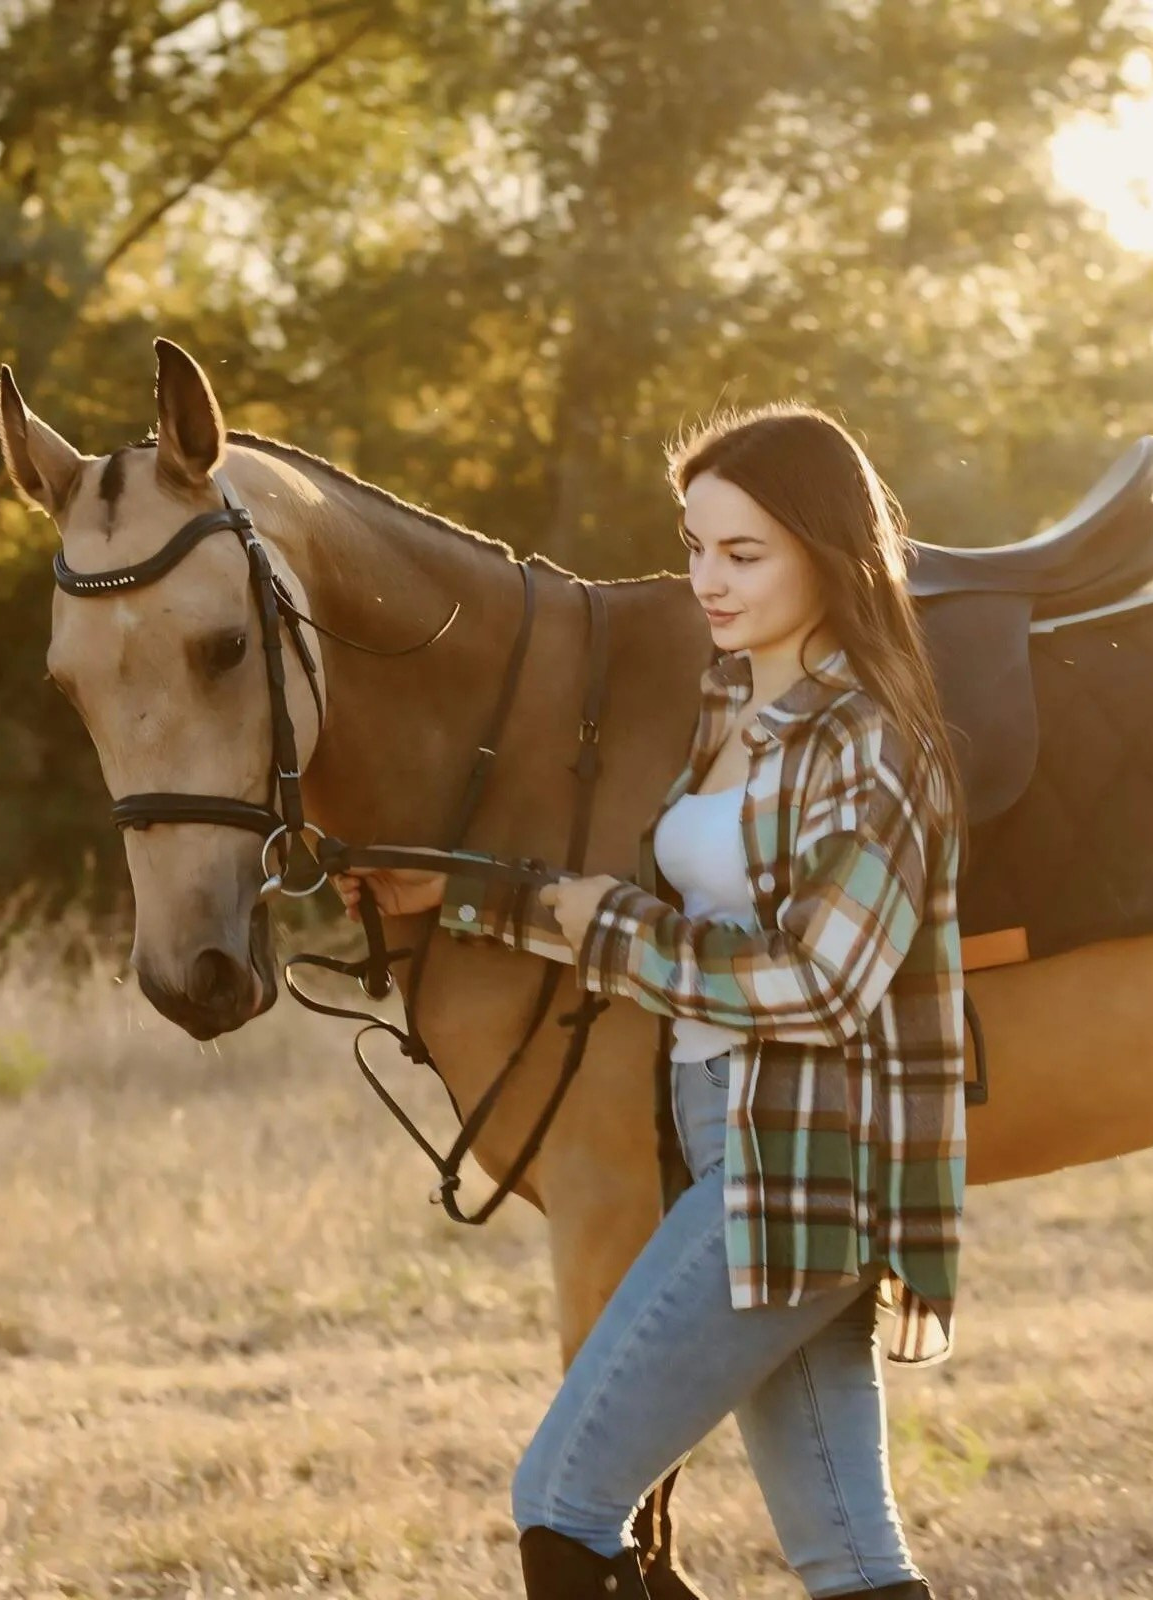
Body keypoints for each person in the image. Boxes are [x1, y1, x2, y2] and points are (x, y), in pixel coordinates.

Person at [334, 403, 969, 1600]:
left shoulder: (871, 745)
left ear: (828, 555)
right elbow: (635, 907)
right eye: (693, 547)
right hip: (722, 1135)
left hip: (801, 1161)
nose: (706, 582)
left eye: (743, 554)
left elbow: (819, 982)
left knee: (563, 1504)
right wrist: (464, 896)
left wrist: (604, 929)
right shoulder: (733, 715)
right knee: (850, 1555)